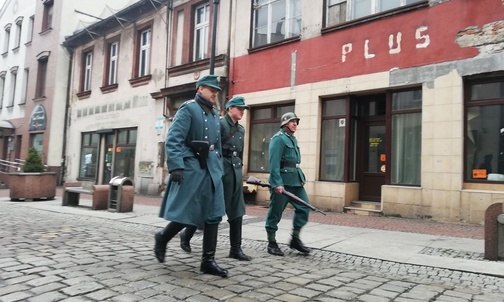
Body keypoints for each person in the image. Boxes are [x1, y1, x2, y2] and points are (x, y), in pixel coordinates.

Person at [155, 74, 228, 277]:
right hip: (193, 167)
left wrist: (219, 166)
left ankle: (208, 261)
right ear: (200, 89)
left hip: (212, 168)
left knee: (214, 213)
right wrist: (176, 166)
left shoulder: (215, 114)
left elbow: (218, 145)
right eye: (211, 89)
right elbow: (173, 139)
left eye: (216, 90)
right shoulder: (188, 109)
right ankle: (162, 237)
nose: (215, 93)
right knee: (188, 211)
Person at [179, 96, 252, 261]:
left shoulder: (241, 129)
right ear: (230, 108)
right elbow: (211, 146)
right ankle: (187, 233)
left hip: (235, 171)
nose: (242, 111)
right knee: (211, 210)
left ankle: (235, 249)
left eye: (244, 109)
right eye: (239, 108)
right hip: (221, 169)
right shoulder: (219, 124)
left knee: (237, 211)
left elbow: (240, 152)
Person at [265, 112, 311, 256]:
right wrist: (277, 183)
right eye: (292, 122)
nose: (295, 124)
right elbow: (274, 164)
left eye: (296, 122)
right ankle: (271, 242)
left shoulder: (292, 139)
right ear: (285, 123)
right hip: (282, 183)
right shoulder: (278, 139)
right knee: (275, 213)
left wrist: (300, 177)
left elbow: (294, 163)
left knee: (304, 207)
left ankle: (295, 238)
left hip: (295, 182)